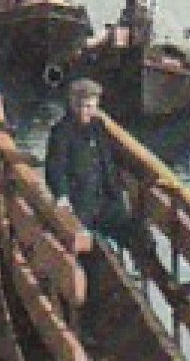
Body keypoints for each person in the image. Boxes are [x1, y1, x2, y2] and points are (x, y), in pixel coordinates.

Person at [44, 78, 132, 249]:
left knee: (137, 232)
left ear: (96, 105)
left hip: (106, 201)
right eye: (79, 106)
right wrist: (62, 196)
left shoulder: (98, 127)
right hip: (79, 204)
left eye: (89, 107)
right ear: (71, 104)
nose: (84, 112)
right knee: (91, 248)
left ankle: (150, 270)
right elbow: (55, 168)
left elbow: (111, 159)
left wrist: (122, 188)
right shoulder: (61, 132)